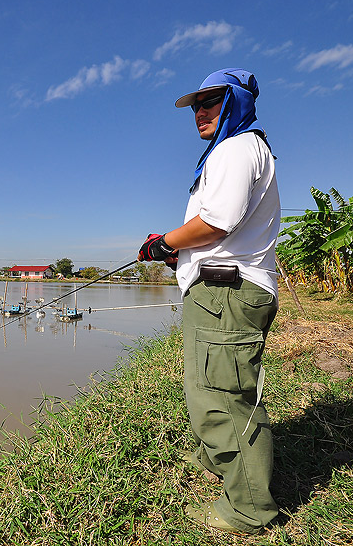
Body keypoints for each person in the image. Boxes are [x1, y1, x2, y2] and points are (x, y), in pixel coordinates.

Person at [137, 68, 281, 534]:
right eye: (196, 105)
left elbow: (217, 222)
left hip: (228, 293)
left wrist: (163, 243)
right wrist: (177, 249)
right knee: (209, 389)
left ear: (237, 101)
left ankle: (248, 510)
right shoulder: (234, 151)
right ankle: (218, 460)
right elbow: (216, 230)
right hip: (219, 292)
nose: (199, 111)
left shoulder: (237, 148)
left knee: (221, 399)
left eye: (211, 101)